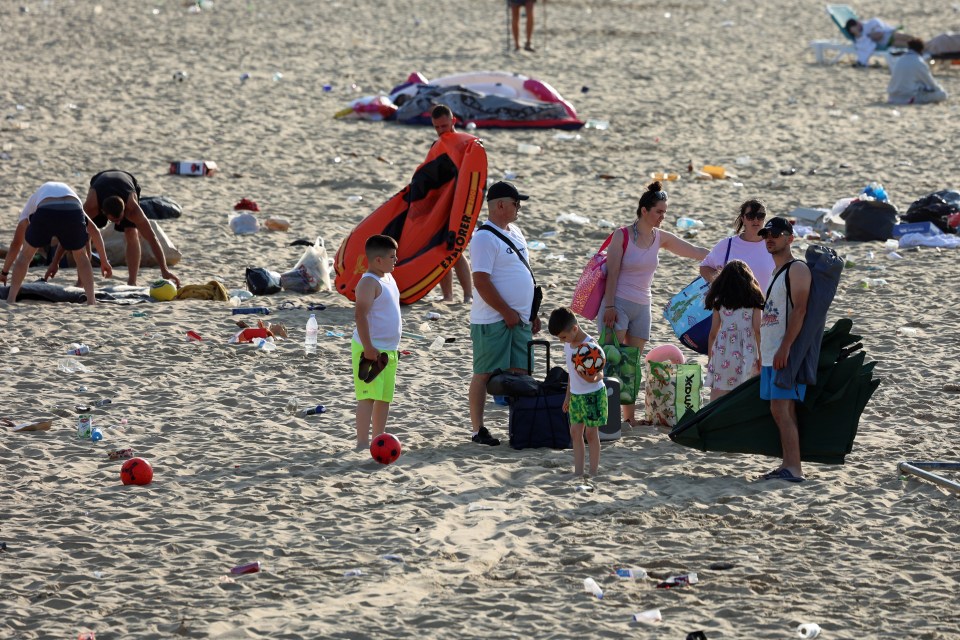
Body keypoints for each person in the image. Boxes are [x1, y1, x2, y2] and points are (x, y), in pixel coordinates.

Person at [601, 181, 709, 426]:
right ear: (644, 211)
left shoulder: (660, 238)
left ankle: (628, 418)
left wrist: (723, 254)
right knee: (613, 361)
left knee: (632, 365)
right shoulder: (622, 235)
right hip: (618, 303)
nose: (663, 217)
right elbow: (612, 272)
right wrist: (608, 307)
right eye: (659, 211)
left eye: (665, 212)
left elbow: (693, 250)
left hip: (643, 306)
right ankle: (608, 417)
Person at [468, 181, 541, 445]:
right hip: (492, 319)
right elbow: (481, 281)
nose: (519, 207)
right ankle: (478, 430)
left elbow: (523, 275)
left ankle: (519, 426)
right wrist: (506, 311)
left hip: (520, 318)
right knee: (484, 373)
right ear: (500, 205)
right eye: (515, 203)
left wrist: (531, 312)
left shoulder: (517, 232)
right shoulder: (484, 238)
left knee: (520, 374)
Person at [48, 170, 180, 287]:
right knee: (84, 235)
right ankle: (81, 281)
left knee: (131, 232)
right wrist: (55, 262)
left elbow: (152, 238)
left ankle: (132, 281)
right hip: (99, 181)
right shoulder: (91, 207)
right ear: (103, 213)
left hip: (128, 181)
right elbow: (70, 235)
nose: (117, 223)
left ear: (125, 211)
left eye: (119, 219)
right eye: (114, 220)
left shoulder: (132, 209)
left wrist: (164, 270)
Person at [757, 217, 811, 483]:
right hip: (770, 353)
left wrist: (785, 347)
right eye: (767, 233)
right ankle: (788, 464)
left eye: (776, 234)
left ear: (790, 238)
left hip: (783, 353)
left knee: (783, 408)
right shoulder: (776, 272)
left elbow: (801, 309)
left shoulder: (797, 269)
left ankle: (794, 468)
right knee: (778, 410)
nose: (770, 238)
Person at [2, 182, 112, 305]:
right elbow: (95, 231)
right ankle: (91, 301)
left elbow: (16, 244)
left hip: (46, 209)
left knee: (25, 255)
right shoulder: (73, 199)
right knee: (82, 257)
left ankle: (11, 299)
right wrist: (104, 261)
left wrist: (4, 272)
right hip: (73, 209)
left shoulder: (30, 206)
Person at [353, 234, 402, 450]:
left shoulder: (388, 278)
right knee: (368, 397)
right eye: (392, 256)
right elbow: (360, 316)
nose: (396, 260)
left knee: (384, 398)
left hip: (389, 350)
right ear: (378, 260)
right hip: (370, 349)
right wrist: (368, 347)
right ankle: (362, 442)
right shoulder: (368, 283)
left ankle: (378, 439)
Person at [549, 306, 606, 476]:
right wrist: (568, 396)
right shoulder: (568, 345)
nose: (562, 341)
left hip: (593, 394)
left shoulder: (590, 345)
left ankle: (593, 471)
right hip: (576, 396)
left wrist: (592, 378)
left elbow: (601, 372)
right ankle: (579, 472)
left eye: (563, 337)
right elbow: (571, 375)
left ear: (574, 329)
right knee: (575, 432)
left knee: (591, 433)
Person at [430, 105, 474, 304]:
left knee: (456, 251)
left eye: (445, 126)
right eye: (437, 127)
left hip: (461, 205)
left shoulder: (467, 144)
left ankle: (468, 295)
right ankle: (448, 295)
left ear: (453, 121)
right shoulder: (436, 145)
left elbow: (475, 177)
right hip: (440, 206)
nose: (441, 130)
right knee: (441, 251)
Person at [703, 260, 763, 403]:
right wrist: (761, 356)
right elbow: (758, 330)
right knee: (745, 391)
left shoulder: (719, 301)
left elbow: (713, 333)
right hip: (747, 350)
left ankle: (713, 419)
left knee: (719, 391)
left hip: (723, 350)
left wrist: (711, 358)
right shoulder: (754, 300)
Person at [699, 199, 776, 294]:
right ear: (743, 219)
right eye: (751, 216)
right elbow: (704, 267)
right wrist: (720, 282)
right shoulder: (728, 244)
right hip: (733, 306)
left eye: (760, 216)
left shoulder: (774, 244)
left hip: (766, 306)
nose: (756, 220)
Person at [888, 39, 948, 105]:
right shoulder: (919, 62)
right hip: (908, 98)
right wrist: (939, 89)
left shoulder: (900, 59)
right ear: (921, 50)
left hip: (892, 97)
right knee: (942, 94)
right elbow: (931, 84)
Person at [845, 17, 916, 67]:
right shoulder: (860, 38)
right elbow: (878, 36)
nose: (859, 26)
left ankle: (920, 43)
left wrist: (870, 35)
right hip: (889, 42)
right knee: (906, 43)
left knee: (907, 38)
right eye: (855, 28)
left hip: (891, 33)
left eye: (858, 24)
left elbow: (879, 33)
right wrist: (858, 33)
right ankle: (921, 46)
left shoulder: (868, 24)